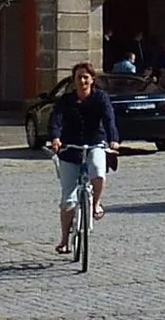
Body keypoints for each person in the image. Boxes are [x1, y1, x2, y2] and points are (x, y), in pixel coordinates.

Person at [47, 64, 120, 252]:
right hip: (70, 149)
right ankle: (64, 240)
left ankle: (95, 205)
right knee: (68, 199)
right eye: (79, 77)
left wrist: (113, 140)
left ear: (92, 79)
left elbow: (109, 119)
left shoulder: (100, 98)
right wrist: (56, 138)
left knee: (98, 172)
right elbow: (56, 119)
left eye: (86, 77)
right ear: (74, 80)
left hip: (95, 143)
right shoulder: (66, 100)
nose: (82, 81)